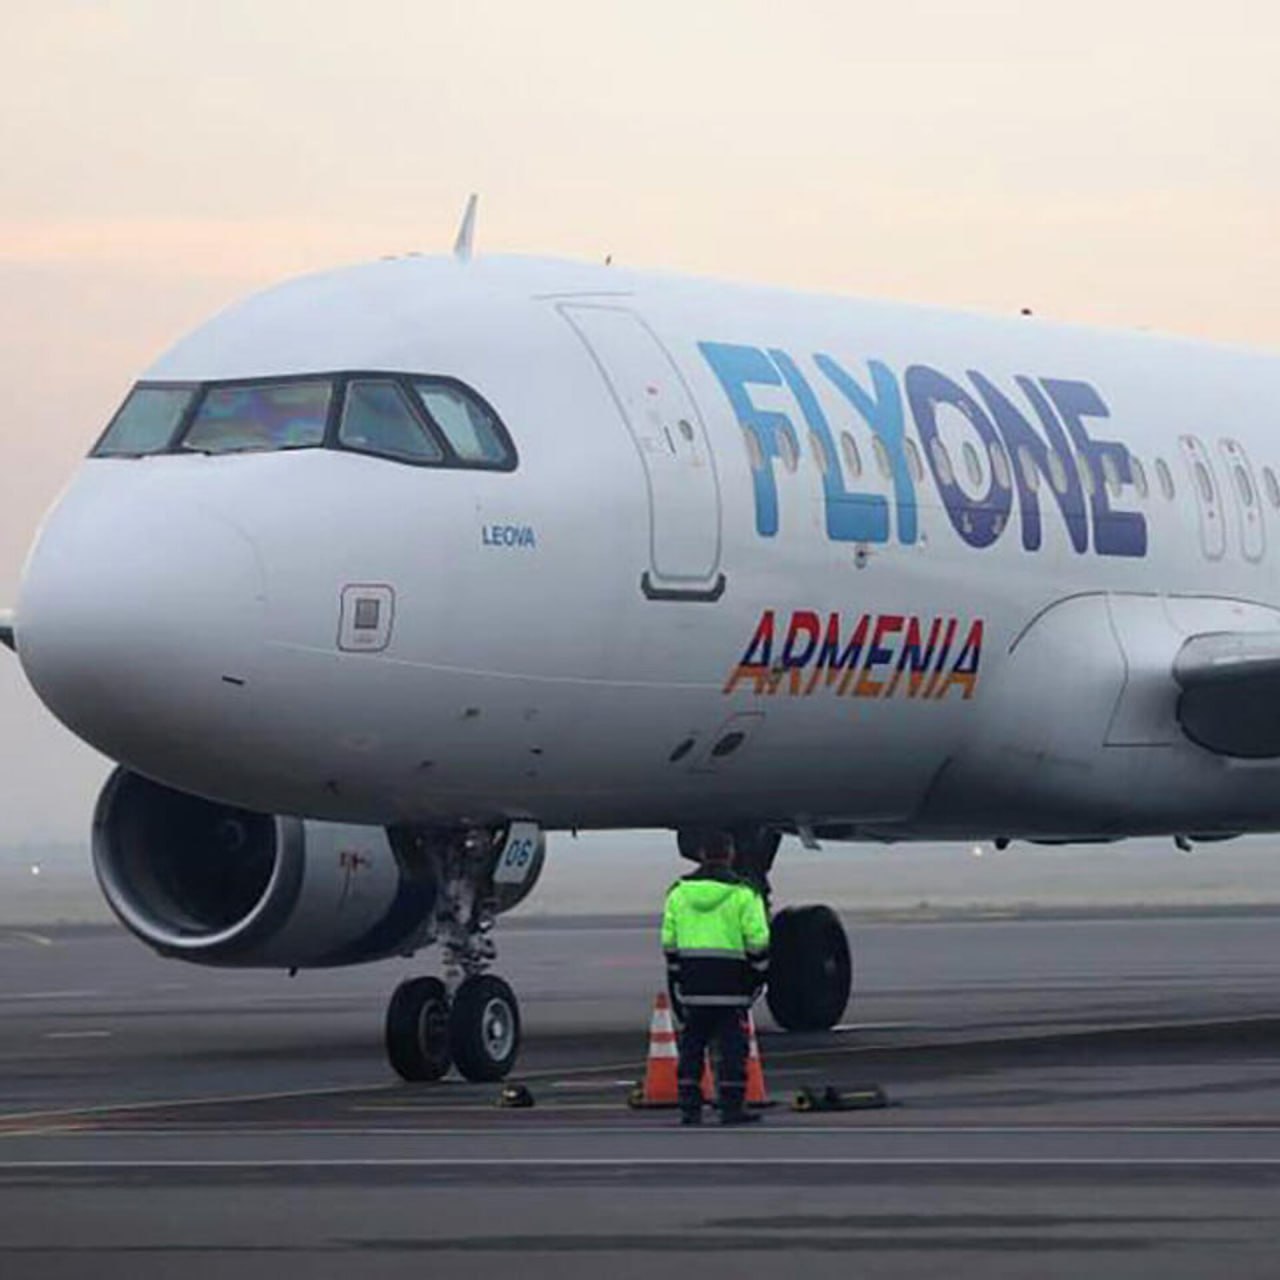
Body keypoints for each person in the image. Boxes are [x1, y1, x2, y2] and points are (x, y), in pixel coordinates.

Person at [661, 830, 770, 1125]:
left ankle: (690, 1107)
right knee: (733, 1047)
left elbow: (669, 941)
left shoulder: (678, 893)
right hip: (731, 985)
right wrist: (758, 977)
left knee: (692, 1045)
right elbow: (758, 942)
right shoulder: (743, 894)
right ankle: (731, 1107)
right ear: (731, 854)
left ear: (701, 854)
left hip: (694, 983)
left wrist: (677, 976)